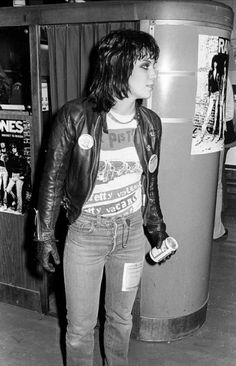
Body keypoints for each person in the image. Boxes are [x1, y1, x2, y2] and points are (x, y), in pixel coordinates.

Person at [35, 29, 168, 366]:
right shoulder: (75, 117)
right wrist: (45, 234)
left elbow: (148, 185)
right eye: (146, 66)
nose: (155, 74)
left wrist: (157, 231)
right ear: (119, 66)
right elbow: (50, 181)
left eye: (155, 66)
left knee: (122, 320)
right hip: (86, 235)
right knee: (80, 328)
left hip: (131, 236)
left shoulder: (150, 124)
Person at [213, 76, 235, 240]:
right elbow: (228, 113)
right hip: (215, 133)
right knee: (216, 183)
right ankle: (215, 229)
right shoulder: (220, 72)